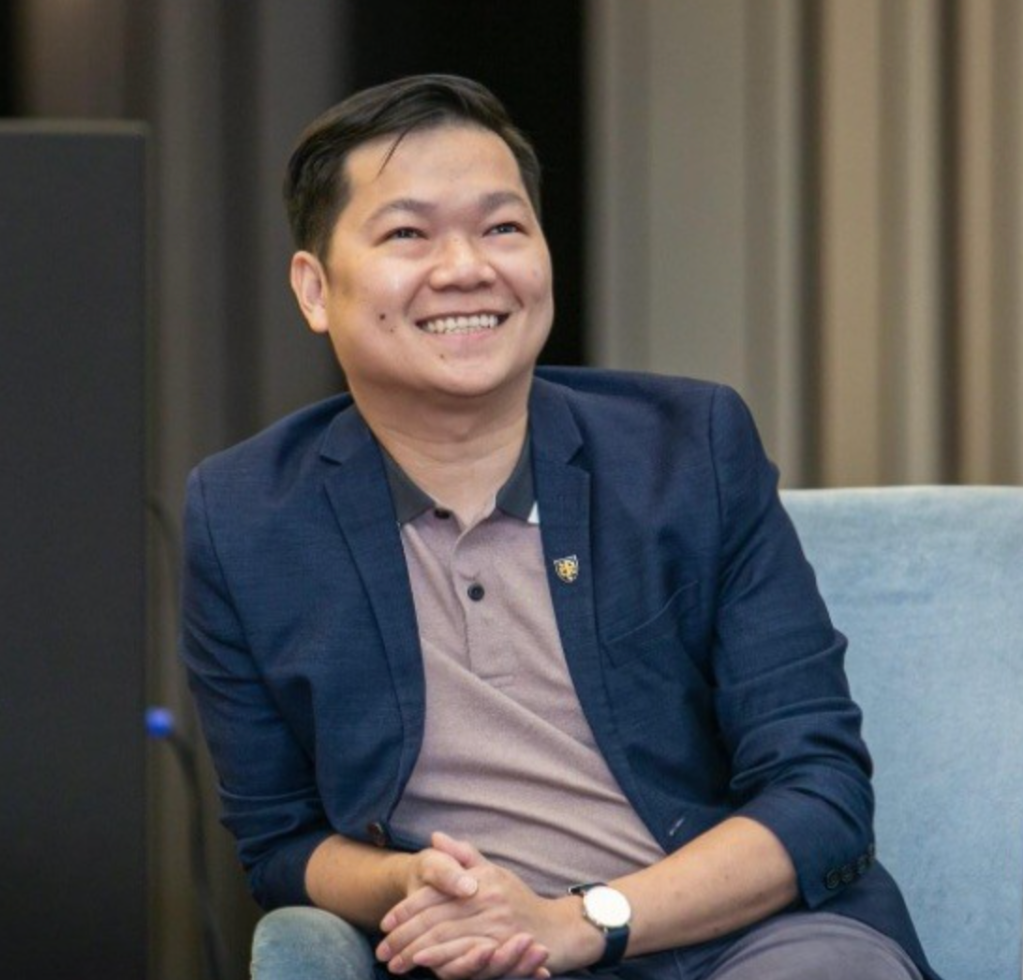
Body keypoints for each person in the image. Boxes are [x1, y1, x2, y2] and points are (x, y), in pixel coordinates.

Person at [181, 74, 941, 980]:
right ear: (315, 289)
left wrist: (582, 920)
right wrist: (407, 882)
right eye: (407, 234)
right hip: (482, 961)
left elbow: (820, 793)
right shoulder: (245, 517)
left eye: (502, 228)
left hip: (742, 942)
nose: (465, 267)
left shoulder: (687, 450)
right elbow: (279, 839)